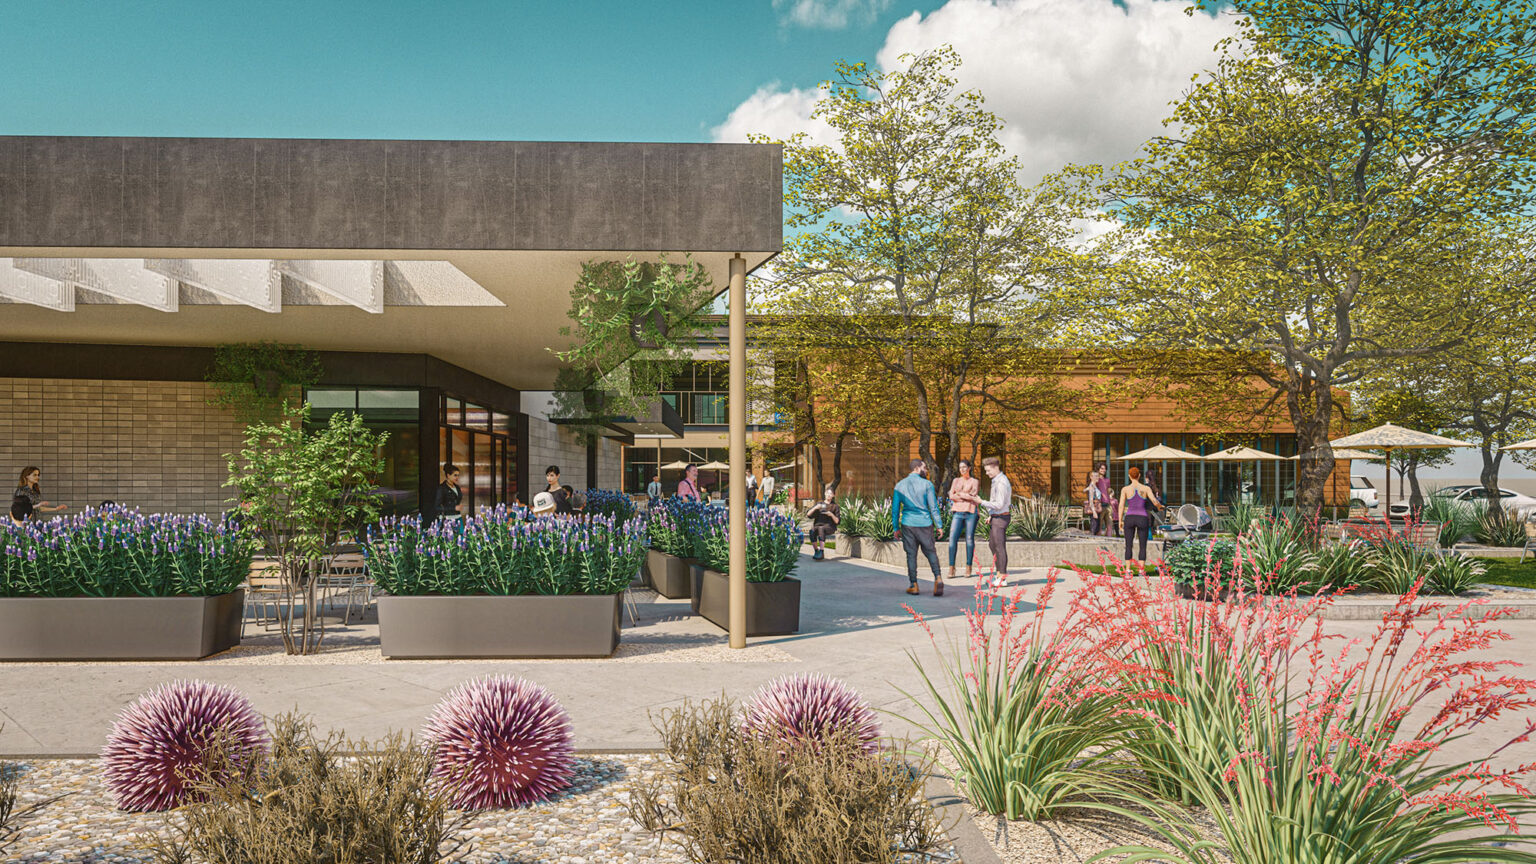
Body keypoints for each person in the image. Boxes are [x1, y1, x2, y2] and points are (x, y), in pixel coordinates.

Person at [891, 459, 945, 597]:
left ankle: (913, 585)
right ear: (916, 468)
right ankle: (938, 577)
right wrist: (939, 525)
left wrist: (896, 527)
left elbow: (895, 509)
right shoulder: (927, 484)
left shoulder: (899, 485)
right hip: (925, 524)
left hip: (908, 524)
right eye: (924, 468)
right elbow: (933, 507)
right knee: (931, 552)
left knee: (911, 554)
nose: (926, 470)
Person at [980, 457, 1013, 588]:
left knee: (999, 547)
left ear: (995, 467)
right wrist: (991, 515)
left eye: (988, 470)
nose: (987, 473)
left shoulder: (1001, 483)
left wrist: (981, 502)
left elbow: (999, 504)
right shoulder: (996, 481)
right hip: (996, 516)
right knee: (992, 545)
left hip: (1001, 518)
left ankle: (1002, 577)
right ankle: (999, 573)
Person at [946, 459, 981, 582]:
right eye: (960, 467)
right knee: (952, 539)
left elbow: (973, 496)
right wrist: (965, 496)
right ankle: (951, 568)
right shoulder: (956, 480)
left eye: (964, 467)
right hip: (957, 512)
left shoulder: (975, 481)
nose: (962, 470)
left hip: (971, 512)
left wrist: (959, 494)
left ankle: (968, 567)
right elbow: (951, 495)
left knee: (969, 539)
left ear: (969, 468)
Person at [1119, 466, 1161, 563]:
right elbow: (1154, 501)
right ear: (1139, 476)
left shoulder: (1125, 489)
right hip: (1142, 518)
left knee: (1128, 545)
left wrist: (1120, 520)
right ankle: (1141, 570)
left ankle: (1128, 571)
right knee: (1143, 546)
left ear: (1129, 476)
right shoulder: (1145, 488)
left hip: (1129, 517)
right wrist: (1160, 506)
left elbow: (1121, 506)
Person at [806, 486, 840, 561]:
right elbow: (808, 514)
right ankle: (816, 551)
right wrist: (815, 508)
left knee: (821, 528)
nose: (828, 495)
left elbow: (837, 521)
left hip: (830, 527)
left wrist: (831, 514)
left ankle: (821, 552)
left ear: (833, 495)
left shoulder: (835, 506)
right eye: (827, 493)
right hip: (818, 525)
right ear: (825, 494)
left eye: (830, 494)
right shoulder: (819, 504)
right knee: (812, 531)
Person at [1095, 463, 1118, 537]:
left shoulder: (1107, 480)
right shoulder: (1096, 479)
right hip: (1100, 505)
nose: (1104, 470)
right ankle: (1098, 543)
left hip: (1108, 505)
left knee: (1109, 524)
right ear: (1098, 469)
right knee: (1099, 526)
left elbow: (1108, 491)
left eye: (1105, 469)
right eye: (1102, 468)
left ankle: (1109, 540)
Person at [1084, 470, 1106, 536]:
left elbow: (1085, 490)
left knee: (1096, 528)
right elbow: (1091, 501)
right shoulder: (1092, 487)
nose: (1097, 477)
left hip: (1097, 509)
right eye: (1096, 476)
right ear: (1091, 477)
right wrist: (1094, 512)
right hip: (1095, 509)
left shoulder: (1093, 486)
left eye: (1098, 476)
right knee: (1094, 528)